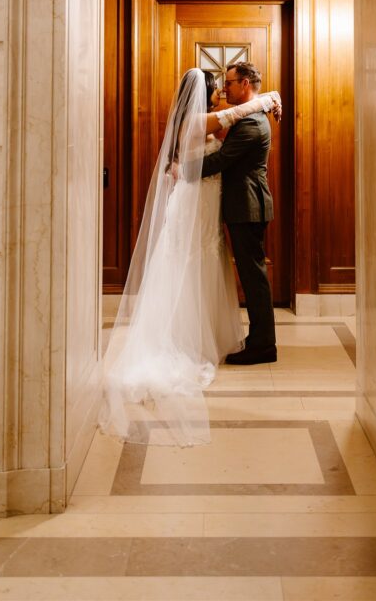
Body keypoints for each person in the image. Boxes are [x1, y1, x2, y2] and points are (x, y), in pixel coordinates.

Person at [100, 67, 281, 446]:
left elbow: (225, 138)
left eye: (228, 85)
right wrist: (268, 98)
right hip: (197, 201)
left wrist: (267, 99)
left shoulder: (229, 121)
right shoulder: (201, 119)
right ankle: (195, 336)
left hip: (215, 203)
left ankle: (257, 341)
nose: (221, 93)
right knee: (192, 263)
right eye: (219, 87)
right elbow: (217, 144)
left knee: (220, 266)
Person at [201, 61, 277, 366]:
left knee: (253, 277)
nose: (225, 88)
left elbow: (221, 161)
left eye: (230, 82)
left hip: (248, 206)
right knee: (250, 274)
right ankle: (259, 338)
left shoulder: (252, 123)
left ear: (245, 84)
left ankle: (263, 345)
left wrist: (185, 168)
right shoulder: (251, 117)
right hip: (243, 206)